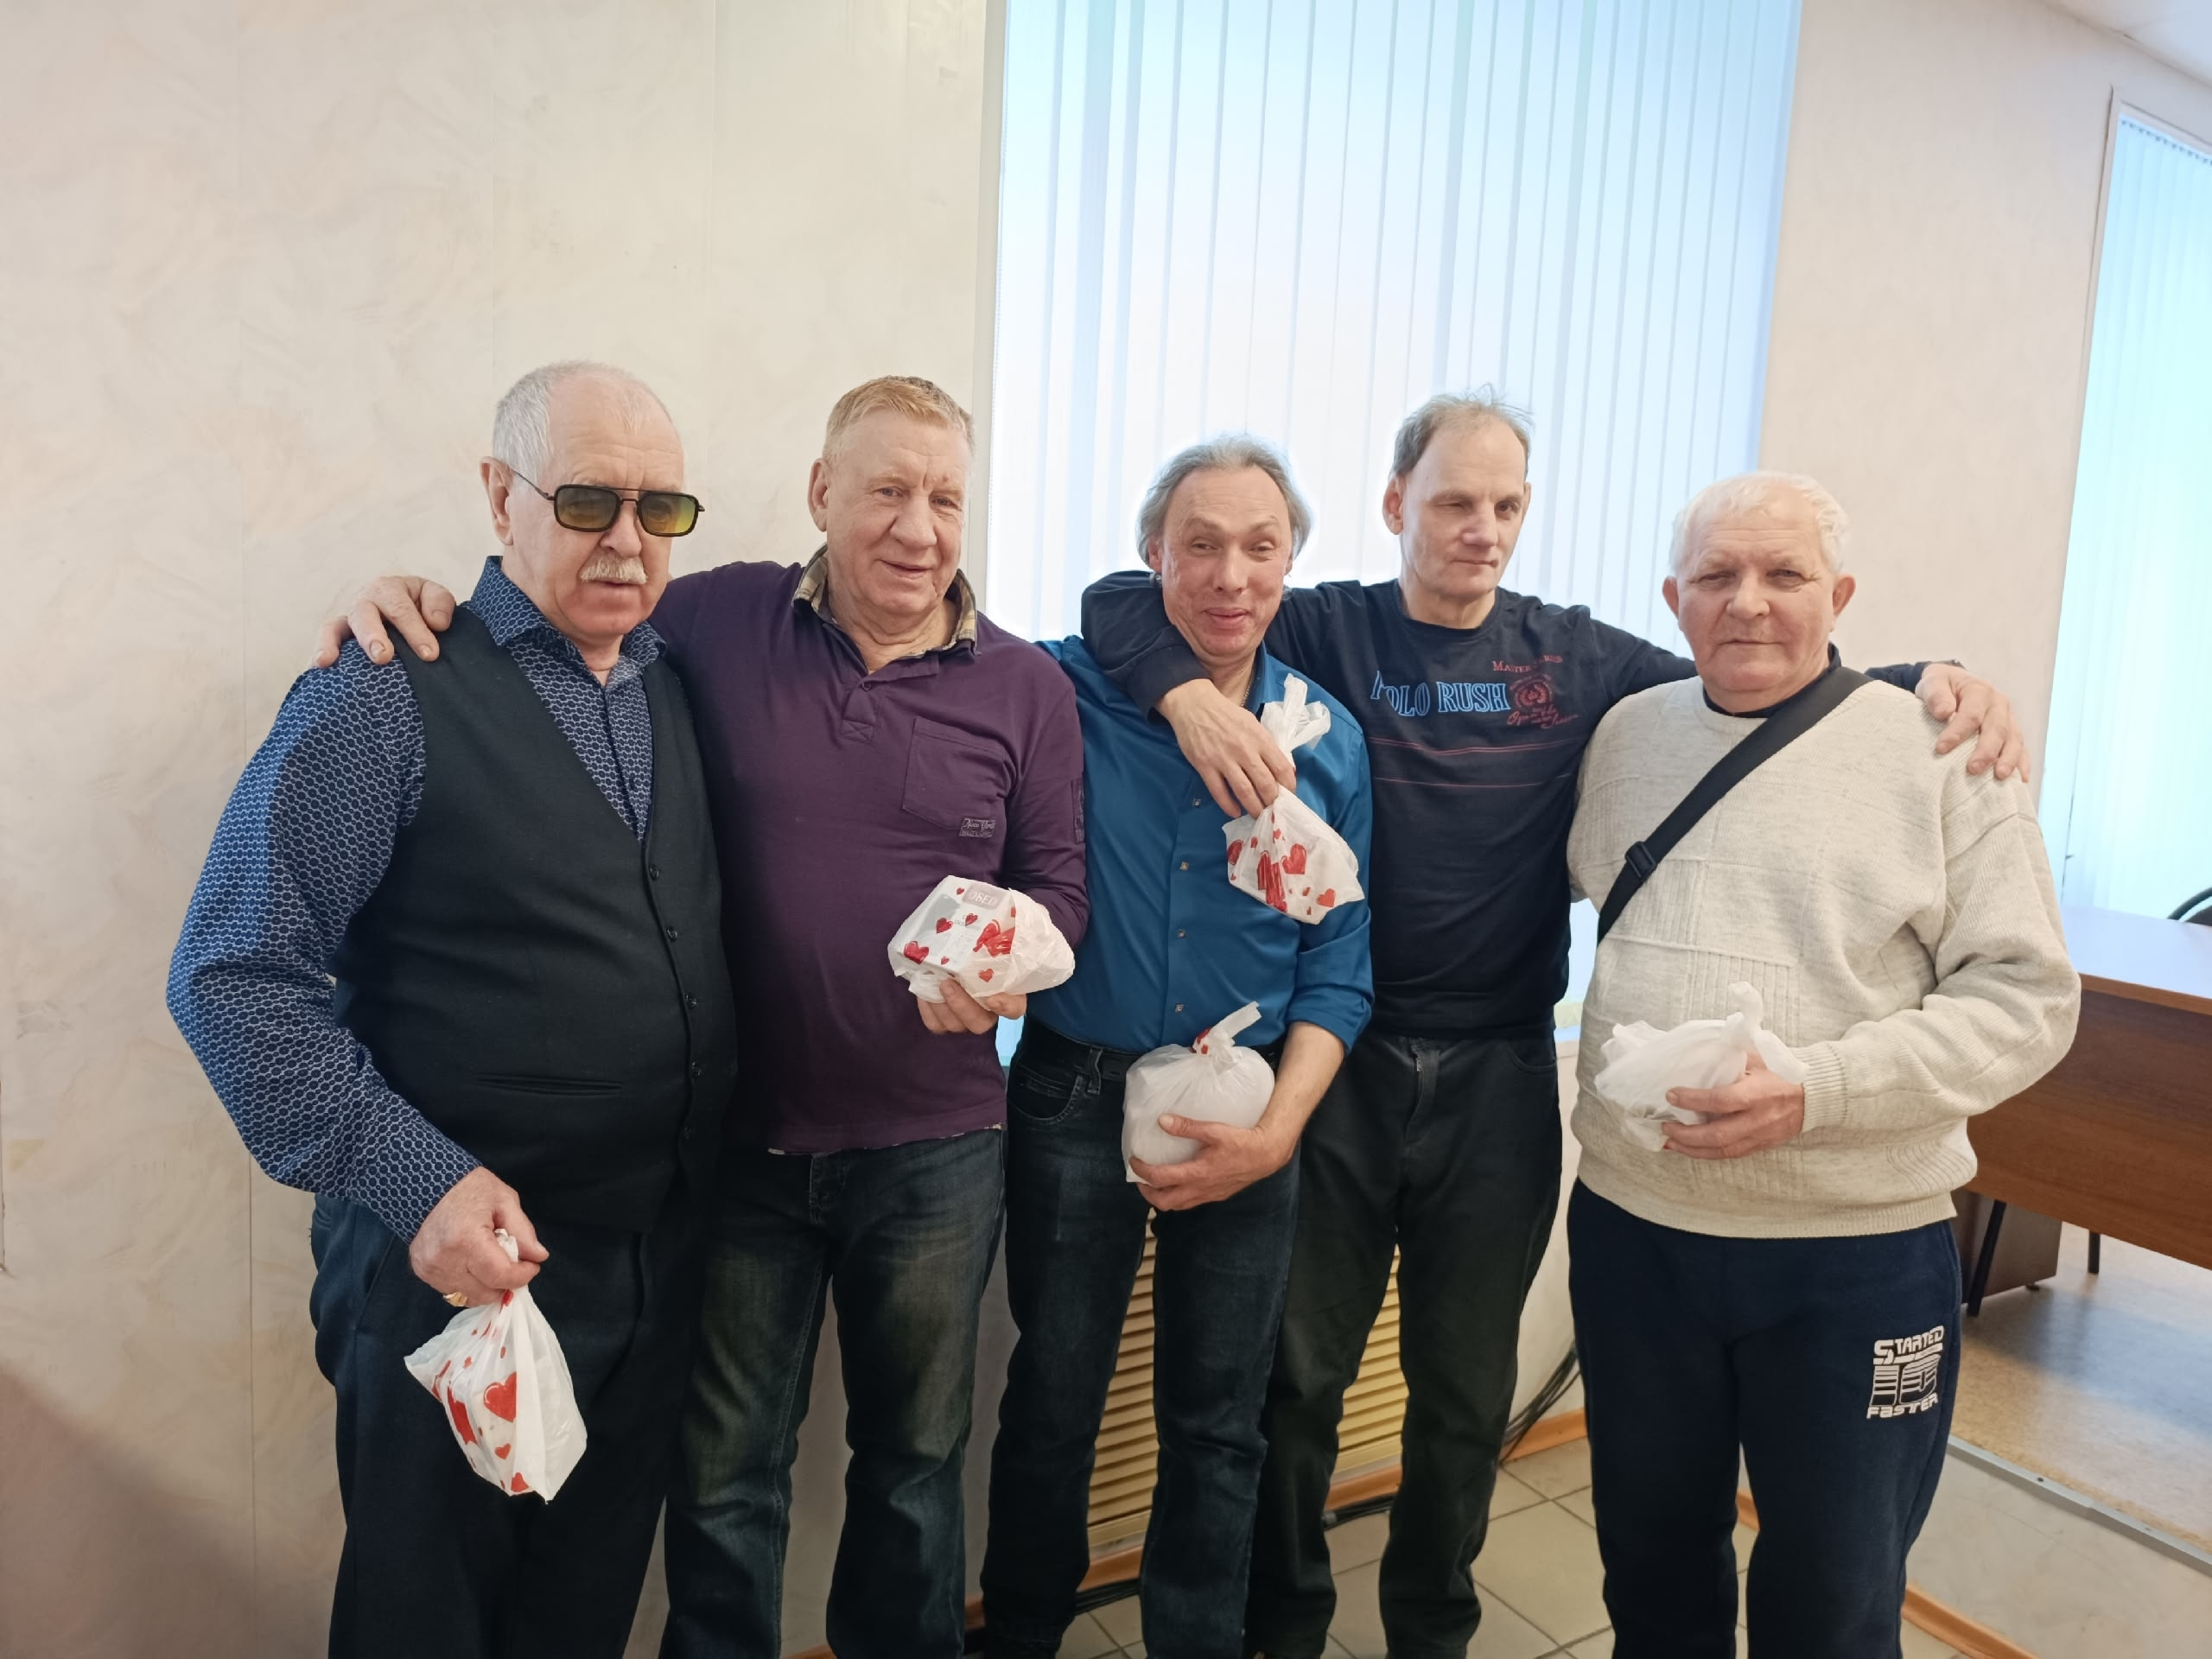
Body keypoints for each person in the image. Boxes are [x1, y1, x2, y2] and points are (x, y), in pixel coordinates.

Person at [1078, 393, 2026, 1659]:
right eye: (1452, 502)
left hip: (1501, 1072)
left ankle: (1430, 1631)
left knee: (1466, 1395)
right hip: (1340, 1060)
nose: (1480, 529)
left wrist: (1927, 681)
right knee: (1296, 1387)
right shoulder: (1320, 622)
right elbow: (1121, 602)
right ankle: (1285, 1627)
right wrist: (1185, 700)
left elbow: (1758, 678)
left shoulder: (1583, 665)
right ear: (1395, 504)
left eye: (1505, 505)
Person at [315, 375, 1089, 1659]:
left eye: (947, 498)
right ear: (821, 494)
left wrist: (1022, 966)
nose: (919, 527)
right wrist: (397, 595)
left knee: (908, 1468)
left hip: (913, 1156)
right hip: (717, 1164)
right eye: (887, 491)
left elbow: (1059, 889)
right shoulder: (706, 623)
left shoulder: (1014, 683)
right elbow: (242, 971)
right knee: (715, 1483)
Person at [170, 361, 739, 1656]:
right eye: (588, 500)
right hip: (447, 1279)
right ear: (499, 496)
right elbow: (232, 973)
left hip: (645, 1272)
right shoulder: (383, 689)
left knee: (580, 1614)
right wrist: (419, 1184)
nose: (626, 540)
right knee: (425, 1622)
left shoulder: (672, 682)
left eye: (660, 510)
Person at [1563, 471, 2077, 1657]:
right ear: (1673, 601)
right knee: (1651, 1571)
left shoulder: (1944, 748)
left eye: (1785, 574)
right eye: (1717, 576)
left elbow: (2028, 997)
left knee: (1835, 1601)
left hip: (1852, 1258)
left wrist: (1818, 1091)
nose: (1748, 601)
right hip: (1638, 1234)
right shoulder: (1626, 737)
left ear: (1840, 596)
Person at [981, 437, 1373, 1659]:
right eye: (1200, 544)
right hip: (1073, 1092)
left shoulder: (1327, 742)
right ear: (1154, 553)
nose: (1230, 575)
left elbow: (1341, 967)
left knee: (1218, 1419)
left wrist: (1278, 1134)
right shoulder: (1062, 691)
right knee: (1054, 1400)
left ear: (1293, 562)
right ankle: (1022, 1635)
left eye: (1261, 546)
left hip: (1250, 1103)